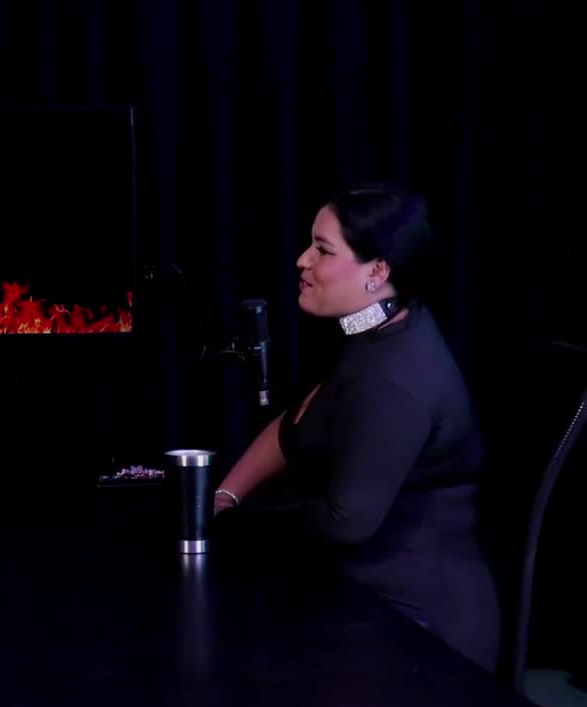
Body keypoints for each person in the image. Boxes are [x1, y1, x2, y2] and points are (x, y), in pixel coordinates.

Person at [213, 183, 499, 671]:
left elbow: (345, 522)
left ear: (377, 271)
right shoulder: (376, 331)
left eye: (323, 250)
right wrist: (225, 497)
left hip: (418, 631)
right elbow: (297, 425)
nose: (302, 261)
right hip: (359, 597)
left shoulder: (392, 379)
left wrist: (238, 527)